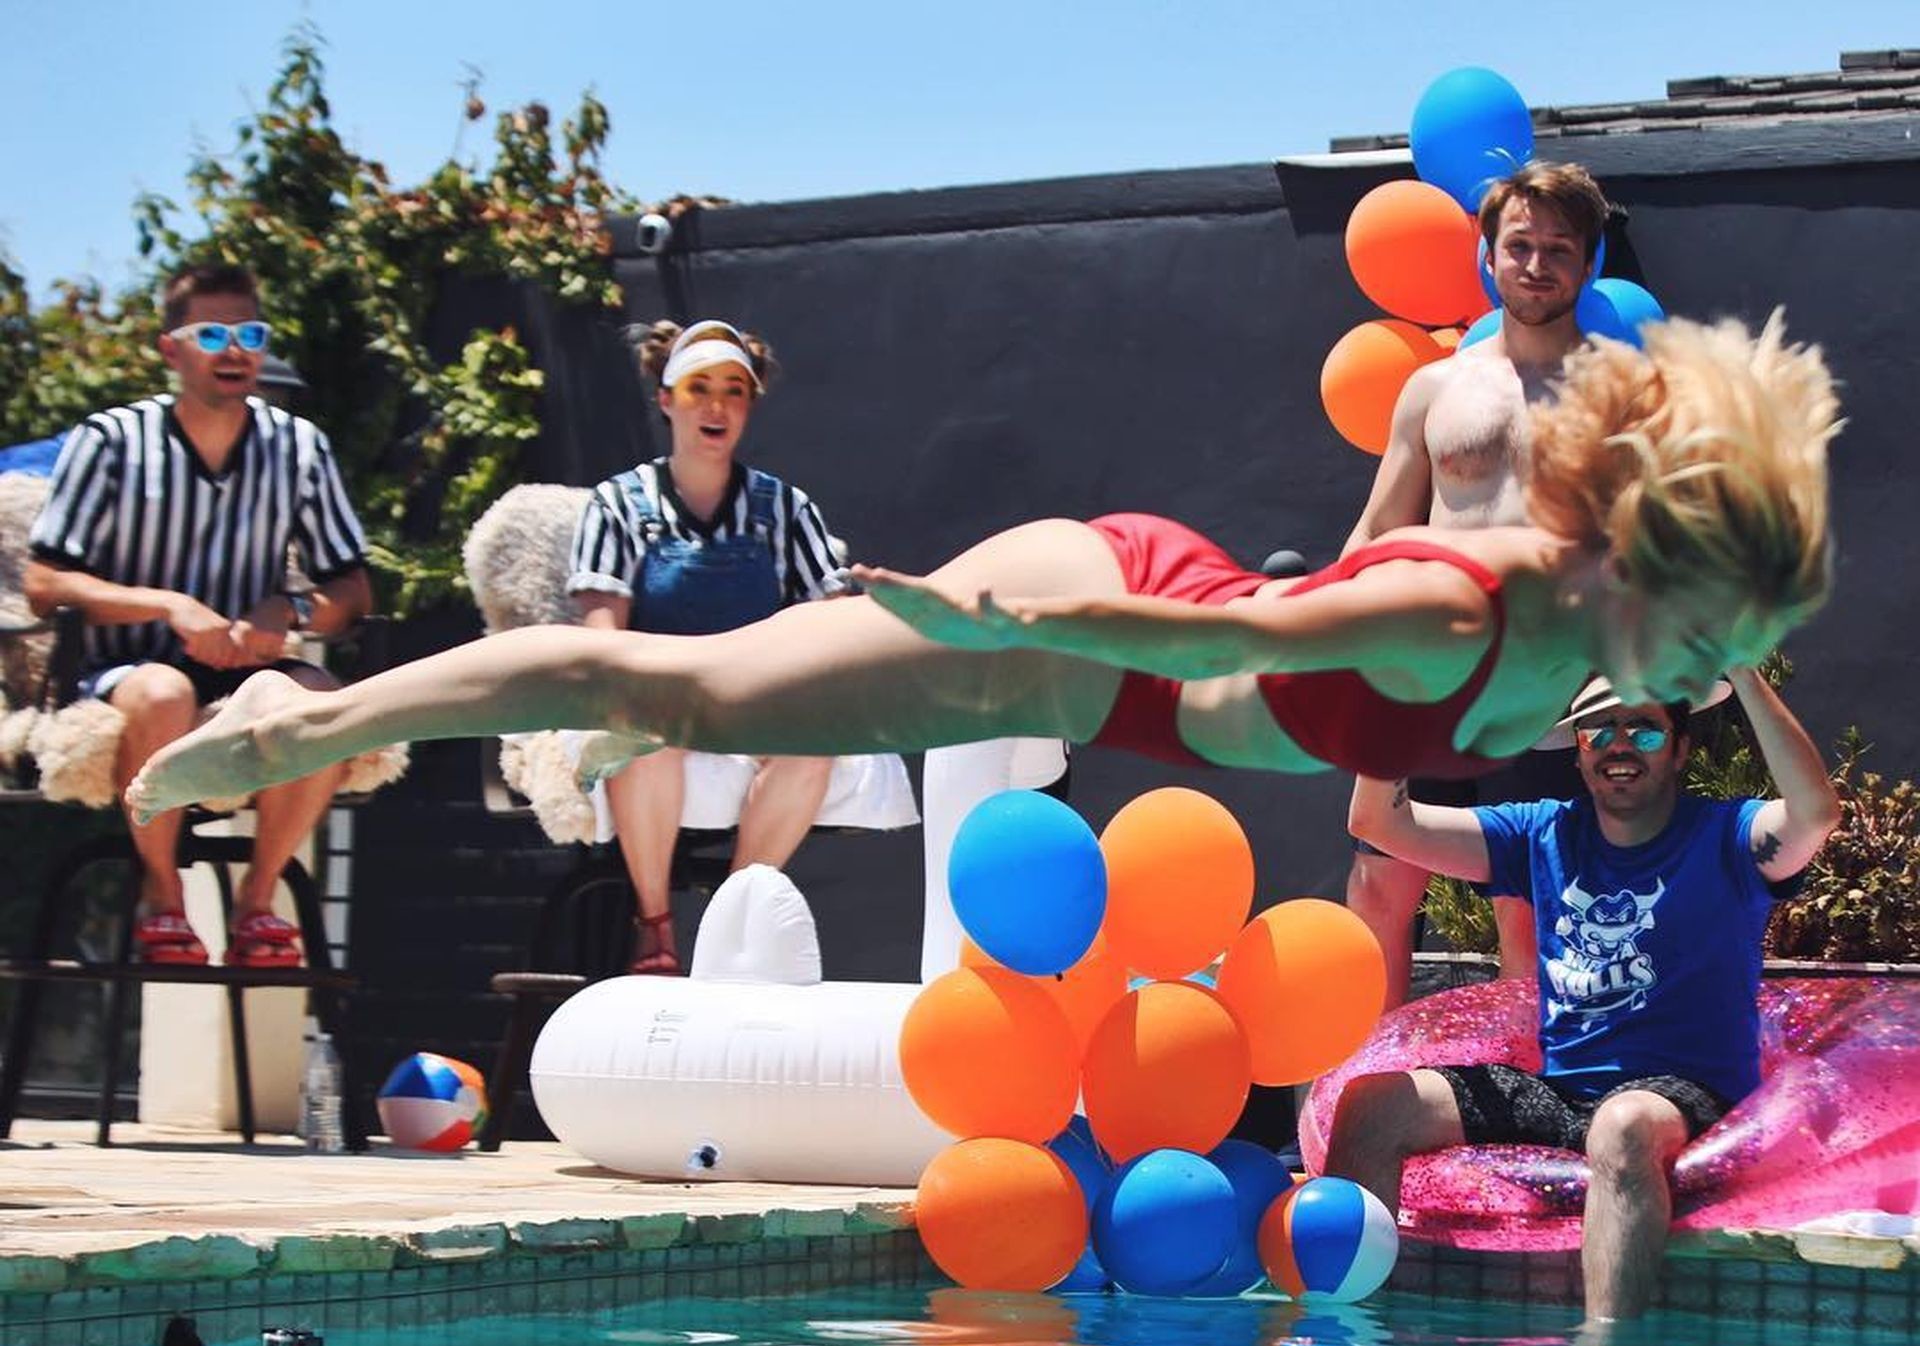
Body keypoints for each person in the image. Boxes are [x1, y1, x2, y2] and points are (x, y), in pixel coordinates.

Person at [126, 311, 1837, 832]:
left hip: (1116, 672)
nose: (1708, 681)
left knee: (702, 703)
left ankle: (565, 725)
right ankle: (300, 719)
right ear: (1649, 562)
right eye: (1718, 638)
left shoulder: (1607, 645)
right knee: (672, 681)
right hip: (1084, 631)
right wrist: (1008, 615)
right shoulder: (1459, 605)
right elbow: (1207, 636)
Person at [1331, 667, 1843, 1321]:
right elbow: (1378, 821)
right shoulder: (1540, 832)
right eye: (1599, 729)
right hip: (1562, 1094)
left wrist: (1742, 673)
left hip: (1685, 1095)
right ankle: (1349, 1330)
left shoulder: (1729, 837)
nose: (1619, 743)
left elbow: (1815, 813)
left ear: (1680, 749)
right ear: (1577, 752)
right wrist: (1398, 695)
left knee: (1622, 1125)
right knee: (1372, 1105)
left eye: (1645, 730)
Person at [25, 262, 371, 966]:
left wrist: (288, 608)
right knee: (165, 691)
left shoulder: (299, 447)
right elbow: (43, 582)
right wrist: (171, 608)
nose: (234, 350)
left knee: (322, 700)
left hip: (246, 672)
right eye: (211, 334)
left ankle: (258, 904)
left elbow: (352, 592)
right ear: (171, 349)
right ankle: (164, 897)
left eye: (251, 335)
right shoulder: (111, 439)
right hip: (123, 669)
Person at [1344, 162, 1607, 1006]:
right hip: (1429, 681)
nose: (1536, 264)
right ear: (1487, 258)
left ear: (1588, 261)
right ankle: (1372, 1073)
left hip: (1544, 696)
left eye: (1558, 248)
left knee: (1525, 912)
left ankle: (1522, 1079)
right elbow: (1381, 529)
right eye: (1519, 245)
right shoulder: (1434, 389)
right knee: (1380, 888)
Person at [569, 318, 845, 974]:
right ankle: (655, 927)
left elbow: (832, 624)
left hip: (753, 700)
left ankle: (733, 923)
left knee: (813, 747)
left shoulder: (786, 509)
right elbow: (602, 633)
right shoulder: (617, 504)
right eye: (698, 388)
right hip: (656, 695)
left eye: (733, 390)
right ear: (666, 400)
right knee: (644, 739)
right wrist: (651, 695)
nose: (716, 406)